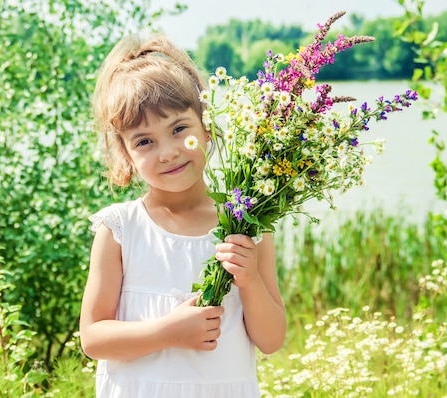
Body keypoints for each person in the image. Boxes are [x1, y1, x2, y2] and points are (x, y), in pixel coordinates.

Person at [79, 32, 287, 398]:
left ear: (206, 128)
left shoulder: (246, 225)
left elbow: (272, 340)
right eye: (144, 141)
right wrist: (170, 331)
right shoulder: (119, 229)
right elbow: (93, 338)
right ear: (126, 155)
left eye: (179, 129)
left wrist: (250, 279)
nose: (168, 152)